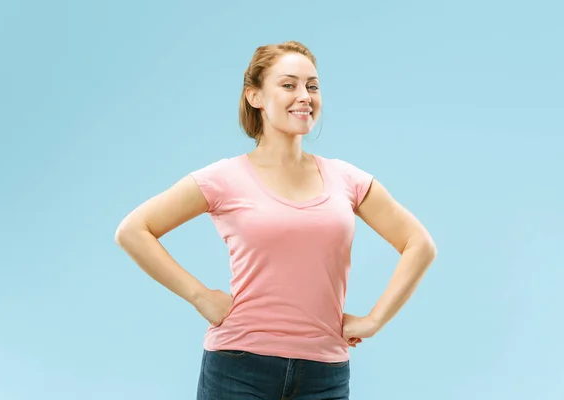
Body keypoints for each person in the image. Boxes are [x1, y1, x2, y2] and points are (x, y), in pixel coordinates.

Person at [115, 40, 437, 399]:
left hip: (324, 374)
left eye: (312, 86)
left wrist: (374, 320)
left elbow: (419, 244)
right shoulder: (224, 178)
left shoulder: (347, 179)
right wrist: (199, 295)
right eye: (288, 85)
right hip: (238, 368)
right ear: (255, 96)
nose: (304, 96)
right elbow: (133, 230)